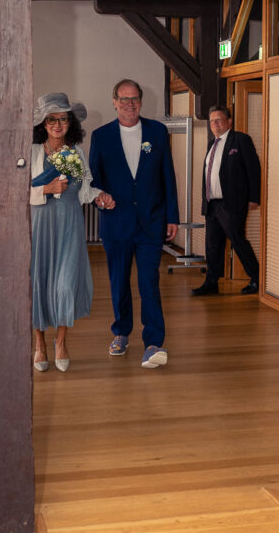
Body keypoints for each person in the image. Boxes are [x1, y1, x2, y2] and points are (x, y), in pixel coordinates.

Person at [89, 79, 179, 369]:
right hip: (116, 222)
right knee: (119, 282)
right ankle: (121, 332)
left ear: (140, 101)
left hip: (151, 222)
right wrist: (99, 199)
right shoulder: (101, 136)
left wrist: (172, 216)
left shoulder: (157, 131)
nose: (129, 104)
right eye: (124, 99)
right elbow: (94, 180)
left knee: (149, 281)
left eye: (134, 98)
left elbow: (168, 177)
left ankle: (153, 341)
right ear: (114, 102)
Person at [30, 92, 114, 373]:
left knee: (65, 284)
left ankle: (60, 341)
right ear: (43, 123)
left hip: (70, 226)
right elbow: (14, 191)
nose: (57, 125)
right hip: (39, 226)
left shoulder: (75, 152)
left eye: (63, 119)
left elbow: (84, 190)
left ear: (70, 122)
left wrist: (100, 195)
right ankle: (39, 344)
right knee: (39, 283)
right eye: (51, 119)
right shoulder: (32, 152)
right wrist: (46, 189)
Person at [191, 105, 261, 297]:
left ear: (229, 121)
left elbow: (253, 170)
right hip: (212, 203)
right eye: (212, 121)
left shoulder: (241, 140)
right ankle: (211, 283)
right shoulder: (211, 144)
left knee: (237, 240)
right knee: (212, 245)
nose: (215, 124)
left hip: (231, 203)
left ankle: (257, 278)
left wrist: (254, 198)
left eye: (219, 120)